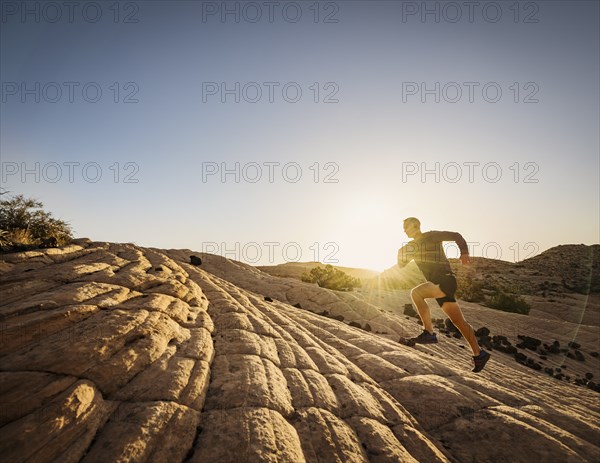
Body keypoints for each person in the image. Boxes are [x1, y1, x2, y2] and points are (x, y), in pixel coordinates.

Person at [397, 217, 490, 372]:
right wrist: (400, 253)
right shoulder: (411, 246)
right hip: (443, 284)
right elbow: (401, 264)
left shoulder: (431, 236)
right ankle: (479, 354)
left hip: (444, 280)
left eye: (405, 227)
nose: (404, 230)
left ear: (415, 226)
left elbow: (456, 236)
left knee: (416, 293)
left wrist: (464, 253)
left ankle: (429, 333)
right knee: (459, 322)